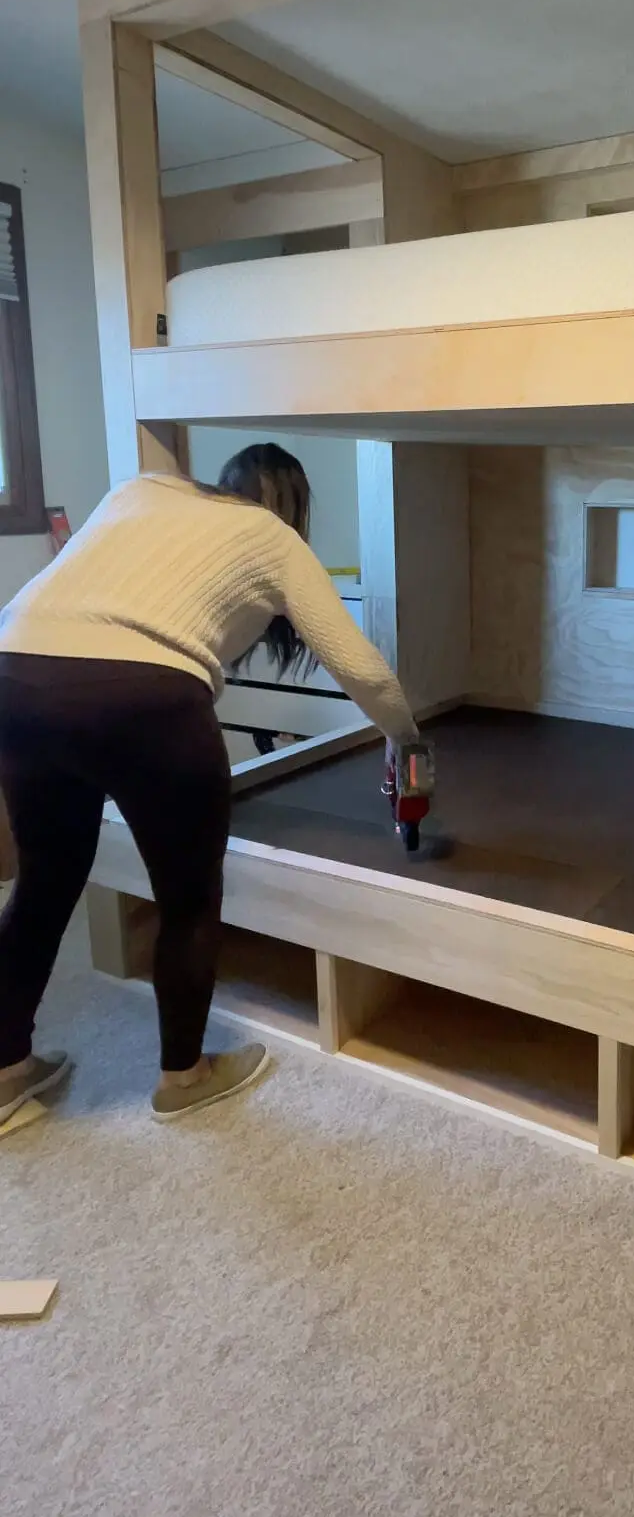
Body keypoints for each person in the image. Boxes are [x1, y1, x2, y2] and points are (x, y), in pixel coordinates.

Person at [0, 444, 417, 1125]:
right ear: (292, 505)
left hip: (14, 670)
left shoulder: (139, 491)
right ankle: (184, 1077)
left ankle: (4, 1070)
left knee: (44, 882)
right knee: (188, 898)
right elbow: (363, 671)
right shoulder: (272, 538)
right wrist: (408, 739)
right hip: (144, 694)